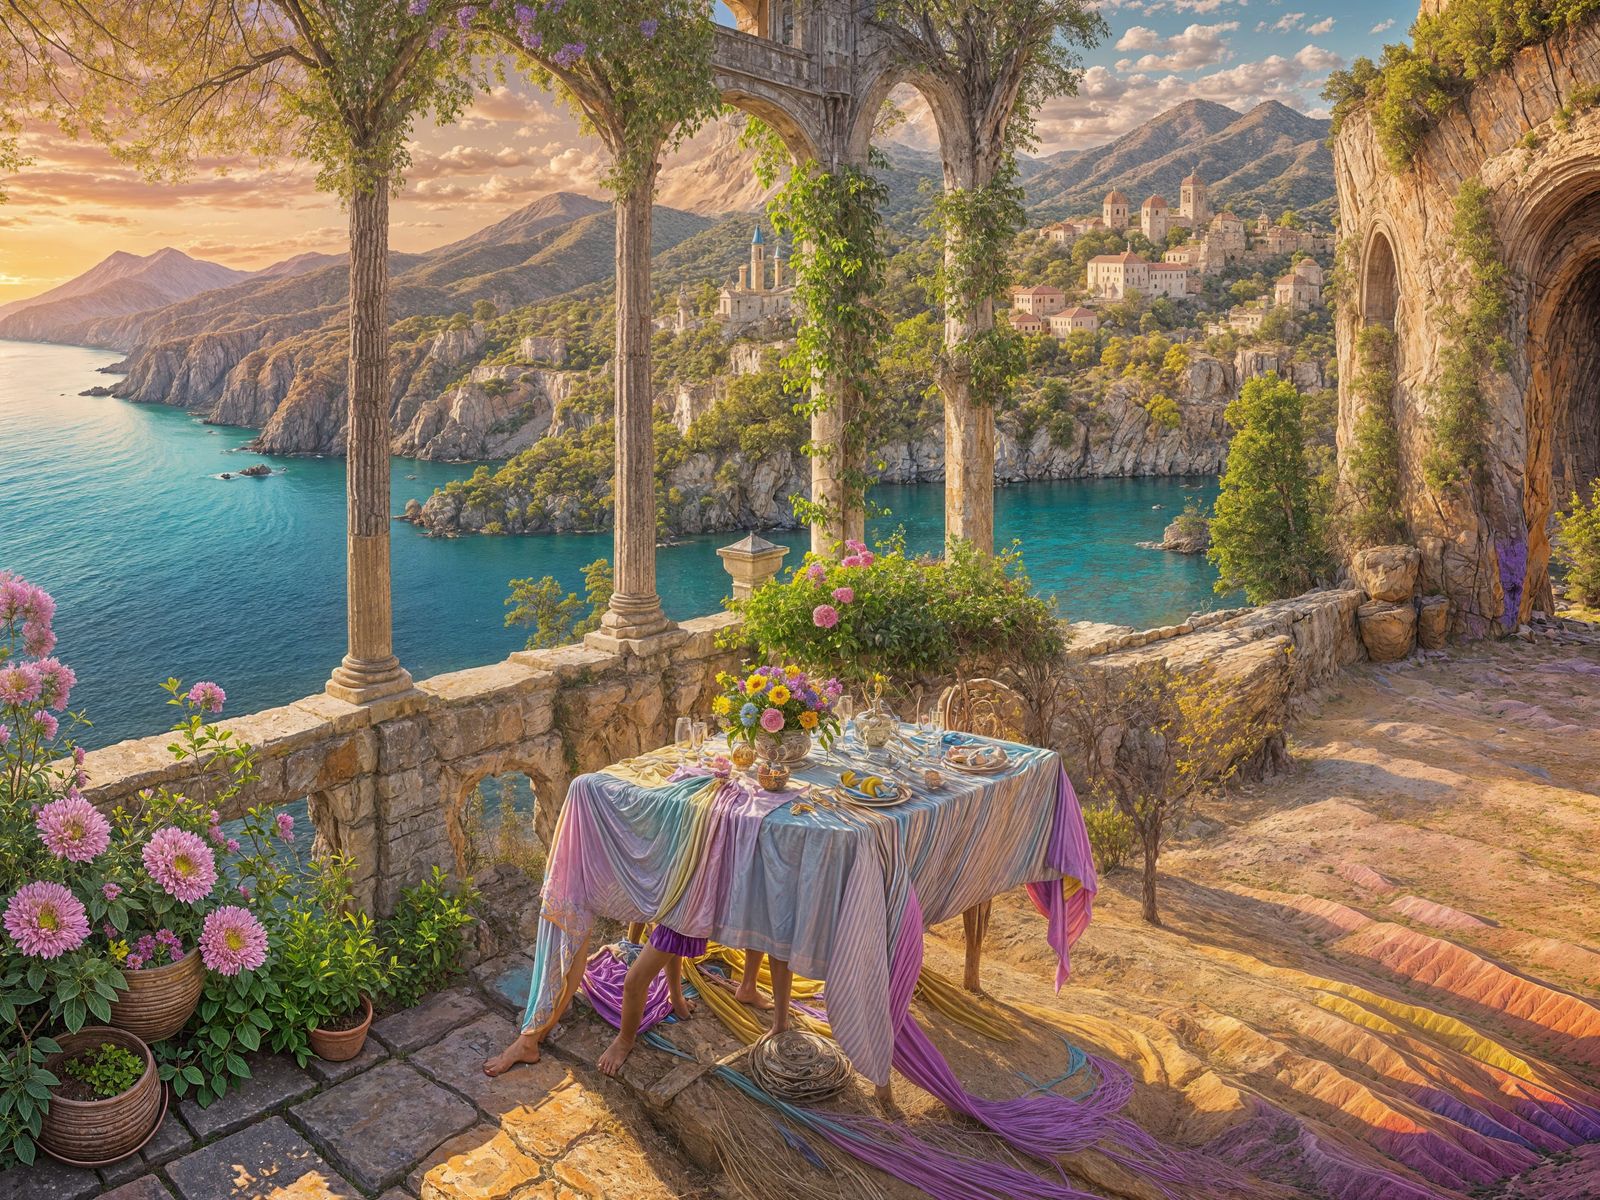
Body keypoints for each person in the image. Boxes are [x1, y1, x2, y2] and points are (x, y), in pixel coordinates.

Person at [596, 924, 701, 1076]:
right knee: (674, 930)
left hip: (689, 910)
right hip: (683, 912)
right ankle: (676, 998)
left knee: (634, 981)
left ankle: (625, 1040)